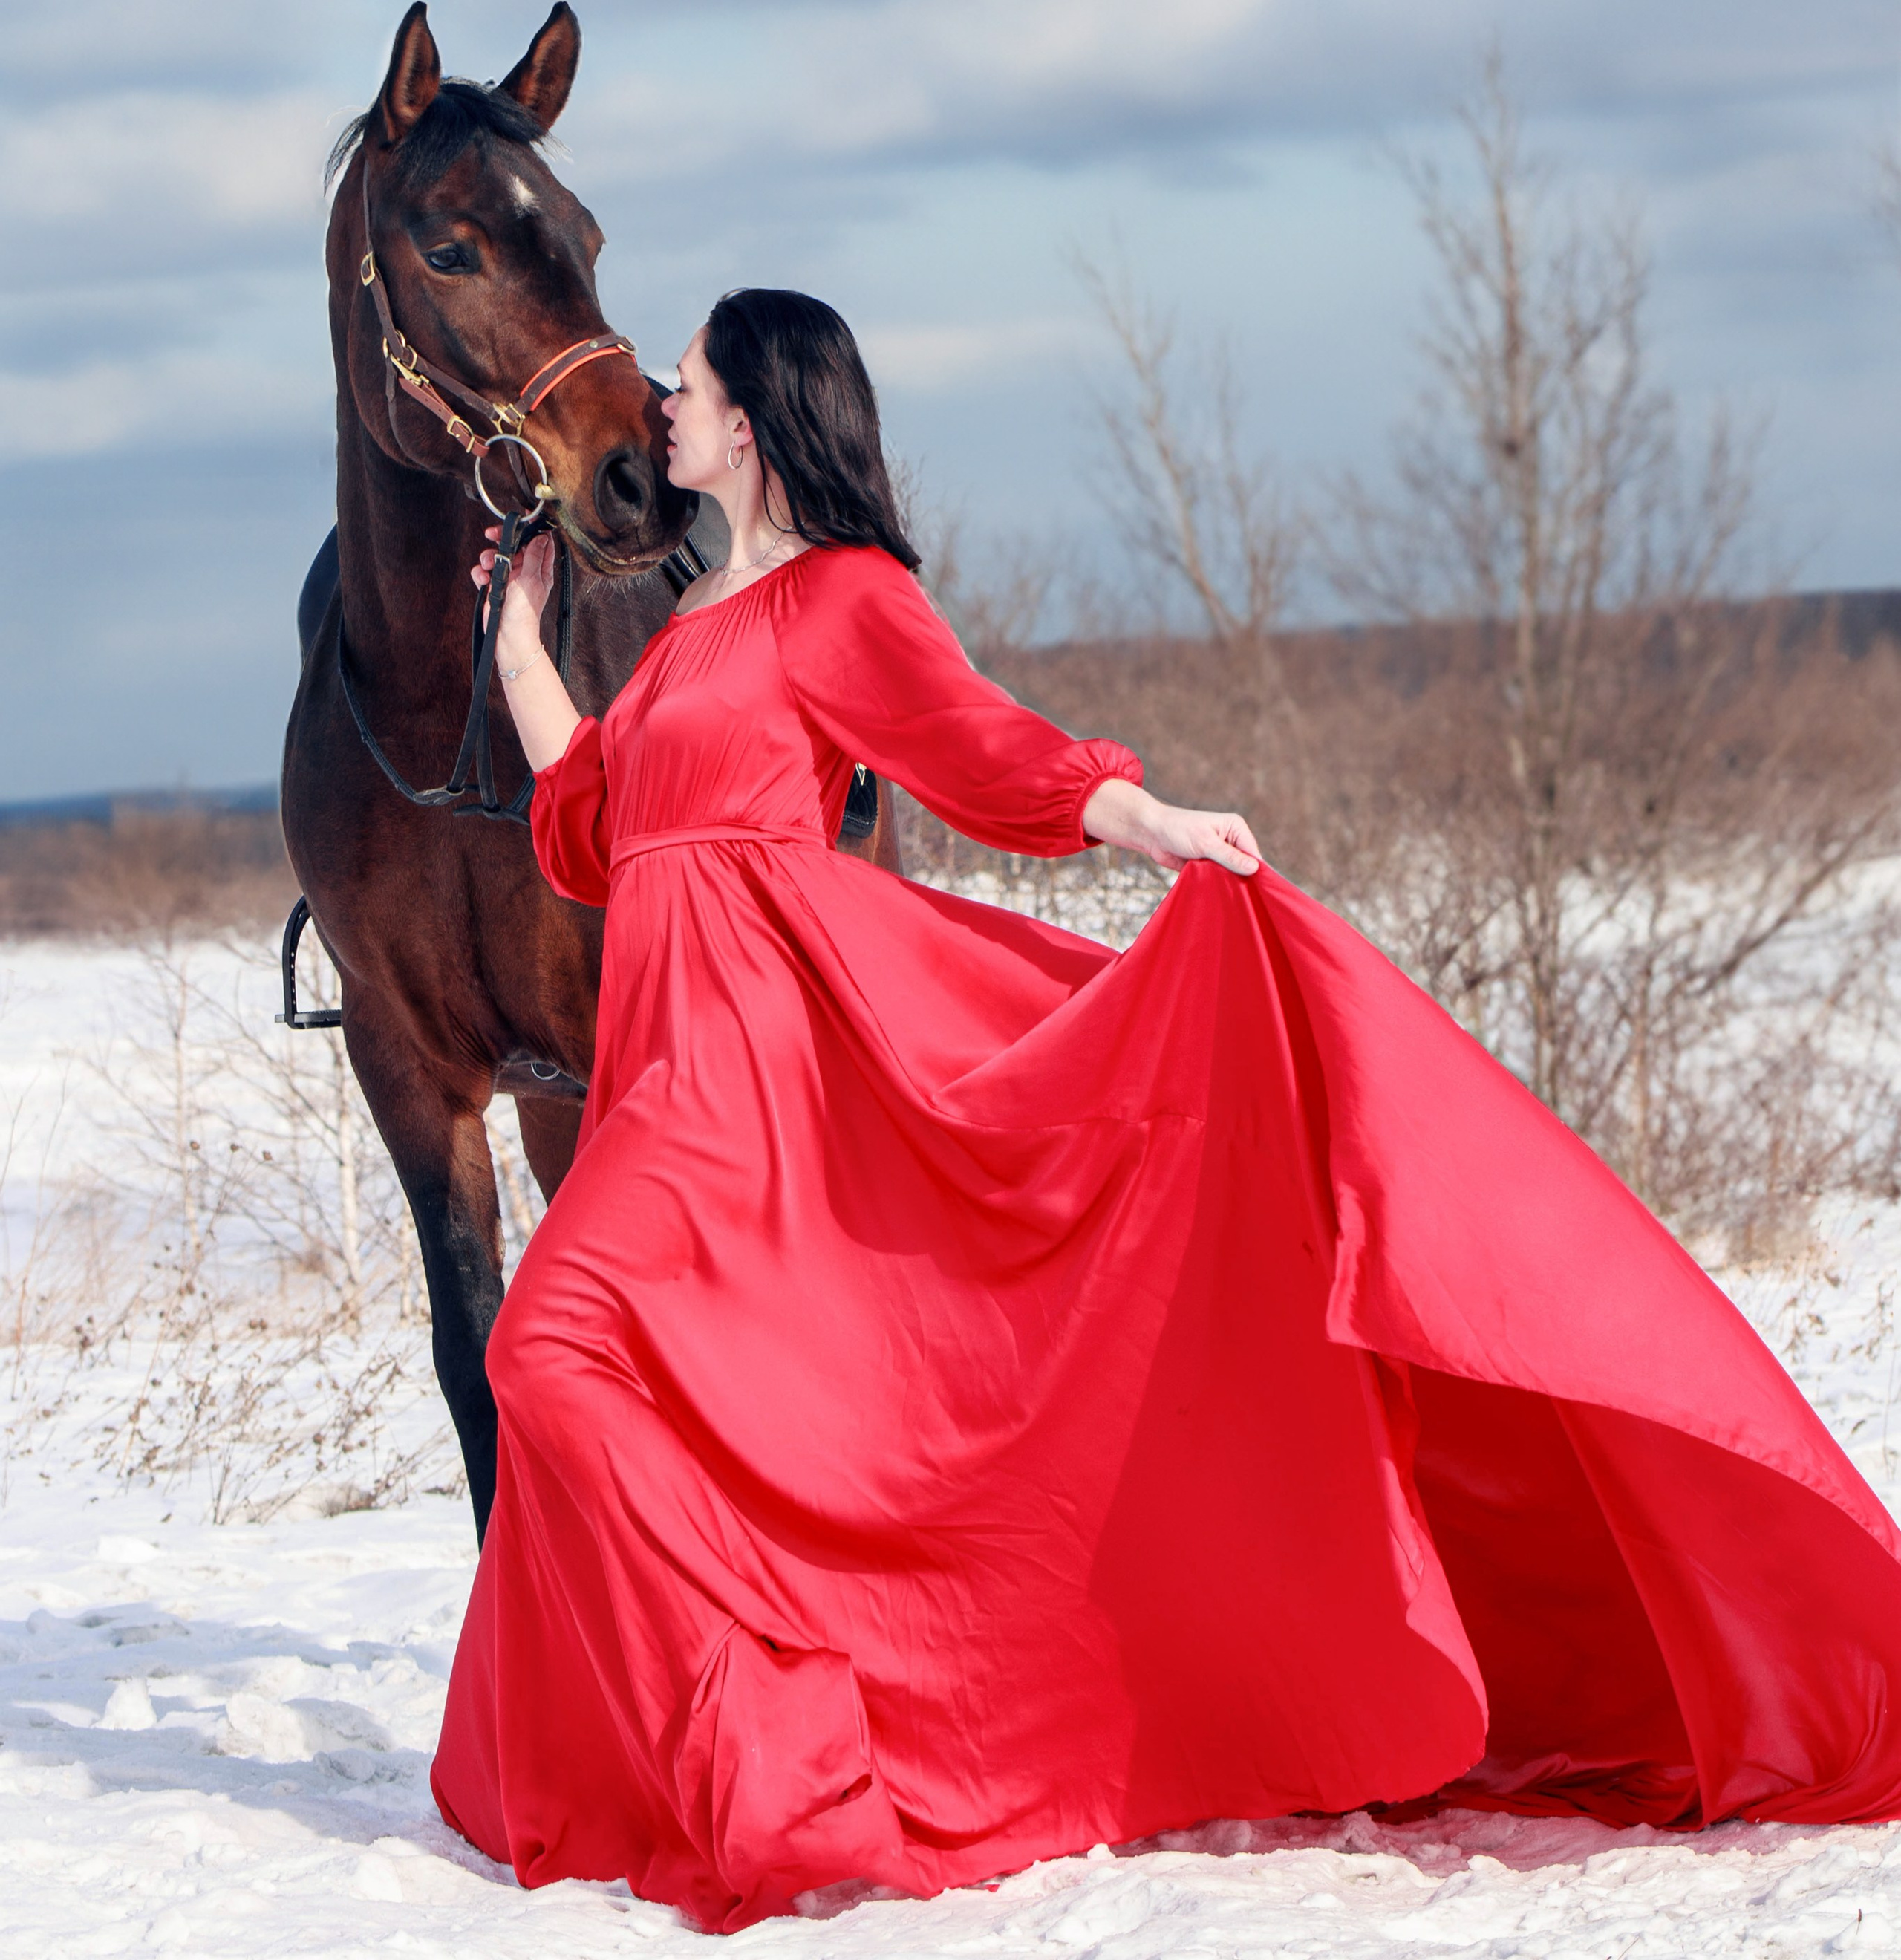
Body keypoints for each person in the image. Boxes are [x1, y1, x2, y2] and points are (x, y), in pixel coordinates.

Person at [433, 290, 1901, 1933]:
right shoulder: (690, 625)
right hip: (663, 1062)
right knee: (650, 1389)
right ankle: (755, 1709)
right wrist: (518, 640)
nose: (663, 409)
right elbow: (596, 823)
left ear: (758, 421)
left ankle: (768, 1724)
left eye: (690, 386)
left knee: (546, 1347)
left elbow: (983, 751)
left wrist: (1149, 820)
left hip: (761, 1069)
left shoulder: (840, 599)